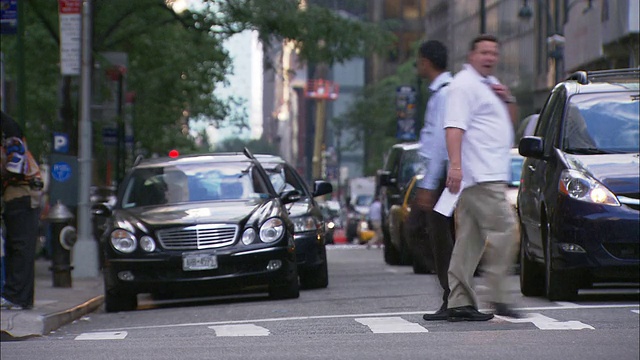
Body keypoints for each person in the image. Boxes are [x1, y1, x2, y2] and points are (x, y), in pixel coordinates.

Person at [443, 34, 522, 321]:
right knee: (507, 229)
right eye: (484, 52)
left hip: (488, 173)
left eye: (494, 53)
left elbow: (508, 122)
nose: (490, 57)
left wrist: (507, 97)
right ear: (471, 55)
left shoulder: (487, 85)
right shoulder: (463, 86)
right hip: (480, 174)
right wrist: (455, 166)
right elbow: (453, 127)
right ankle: (498, 295)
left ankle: (459, 301)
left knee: (470, 240)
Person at [412, 40, 456, 321]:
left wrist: (429, 184)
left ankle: (453, 292)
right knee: (428, 232)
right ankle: (453, 290)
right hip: (441, 175)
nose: (418, 65)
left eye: (419, 60)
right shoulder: (441, 92)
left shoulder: (444, 94)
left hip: (442, 177)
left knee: (427, 232)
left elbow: (440, 142)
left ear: (426, 61)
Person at [1, 110, 43, 310]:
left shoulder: (7, 129)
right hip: (18, 195)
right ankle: (19, 297)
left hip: (22, 194)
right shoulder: (8, 127)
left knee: (20, 246)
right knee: (17, 246)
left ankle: (17, 297)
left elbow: (15, 165)